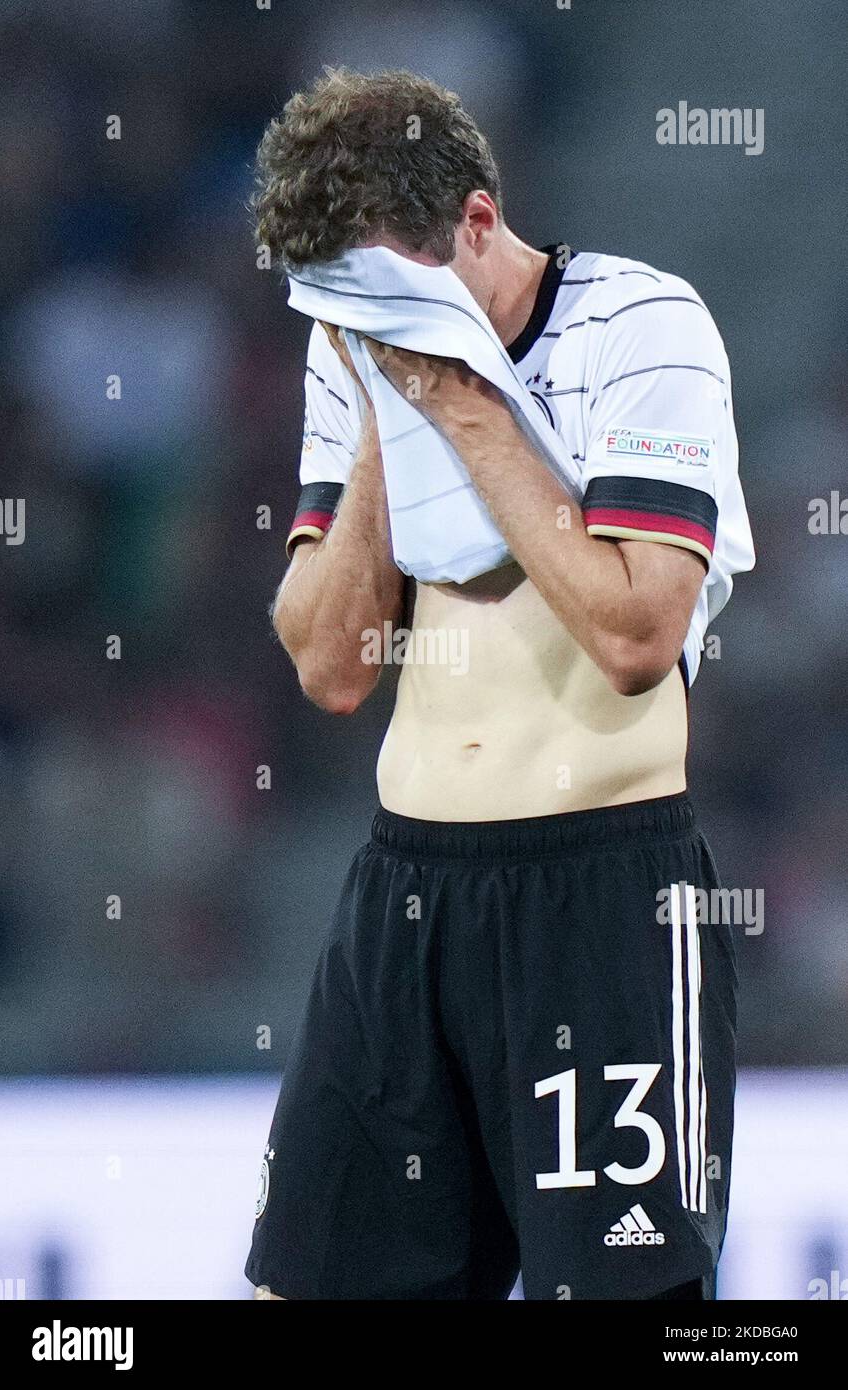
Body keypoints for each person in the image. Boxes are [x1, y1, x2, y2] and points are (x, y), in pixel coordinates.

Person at [245, 67, 754, 1300]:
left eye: (391, 295)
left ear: (476, 223)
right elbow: (325, 663)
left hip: (601, 898)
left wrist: (457, 399)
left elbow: (634, 634)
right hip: (402, 893)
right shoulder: (355, 355)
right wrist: (379, 399)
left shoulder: (643, 325)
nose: (373, 326)